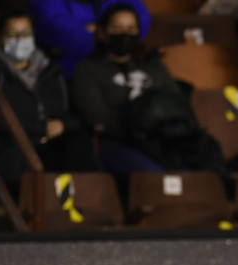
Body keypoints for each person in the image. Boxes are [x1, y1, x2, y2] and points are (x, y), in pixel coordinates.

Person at [71, 3, 226, 181]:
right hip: (119, 143)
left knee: (203, 168)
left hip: (163, 141)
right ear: (103, 32)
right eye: (117, 28)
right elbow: (98, 117)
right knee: (159, 177)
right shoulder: (87, 70)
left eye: (131, 29)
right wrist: (140, 121)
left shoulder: (152, 65)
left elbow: (176, 103)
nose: (124, 34)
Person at [0, 5, 98, 195]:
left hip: (50, 143)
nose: (20, 39)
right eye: (12, 33)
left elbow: (75, 112)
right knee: (19, 164)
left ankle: (84, 212)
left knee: (79, 146)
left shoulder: (51, 71)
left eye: (26, 33)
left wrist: (62, 124)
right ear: (0, 37)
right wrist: (38, 127)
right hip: (13, 146)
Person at [29, 0, 149, 77]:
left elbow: (142, 22)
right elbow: (70, 37)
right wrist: (107, 29)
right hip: (68, 76)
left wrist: (98, 29)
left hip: (118, 70)